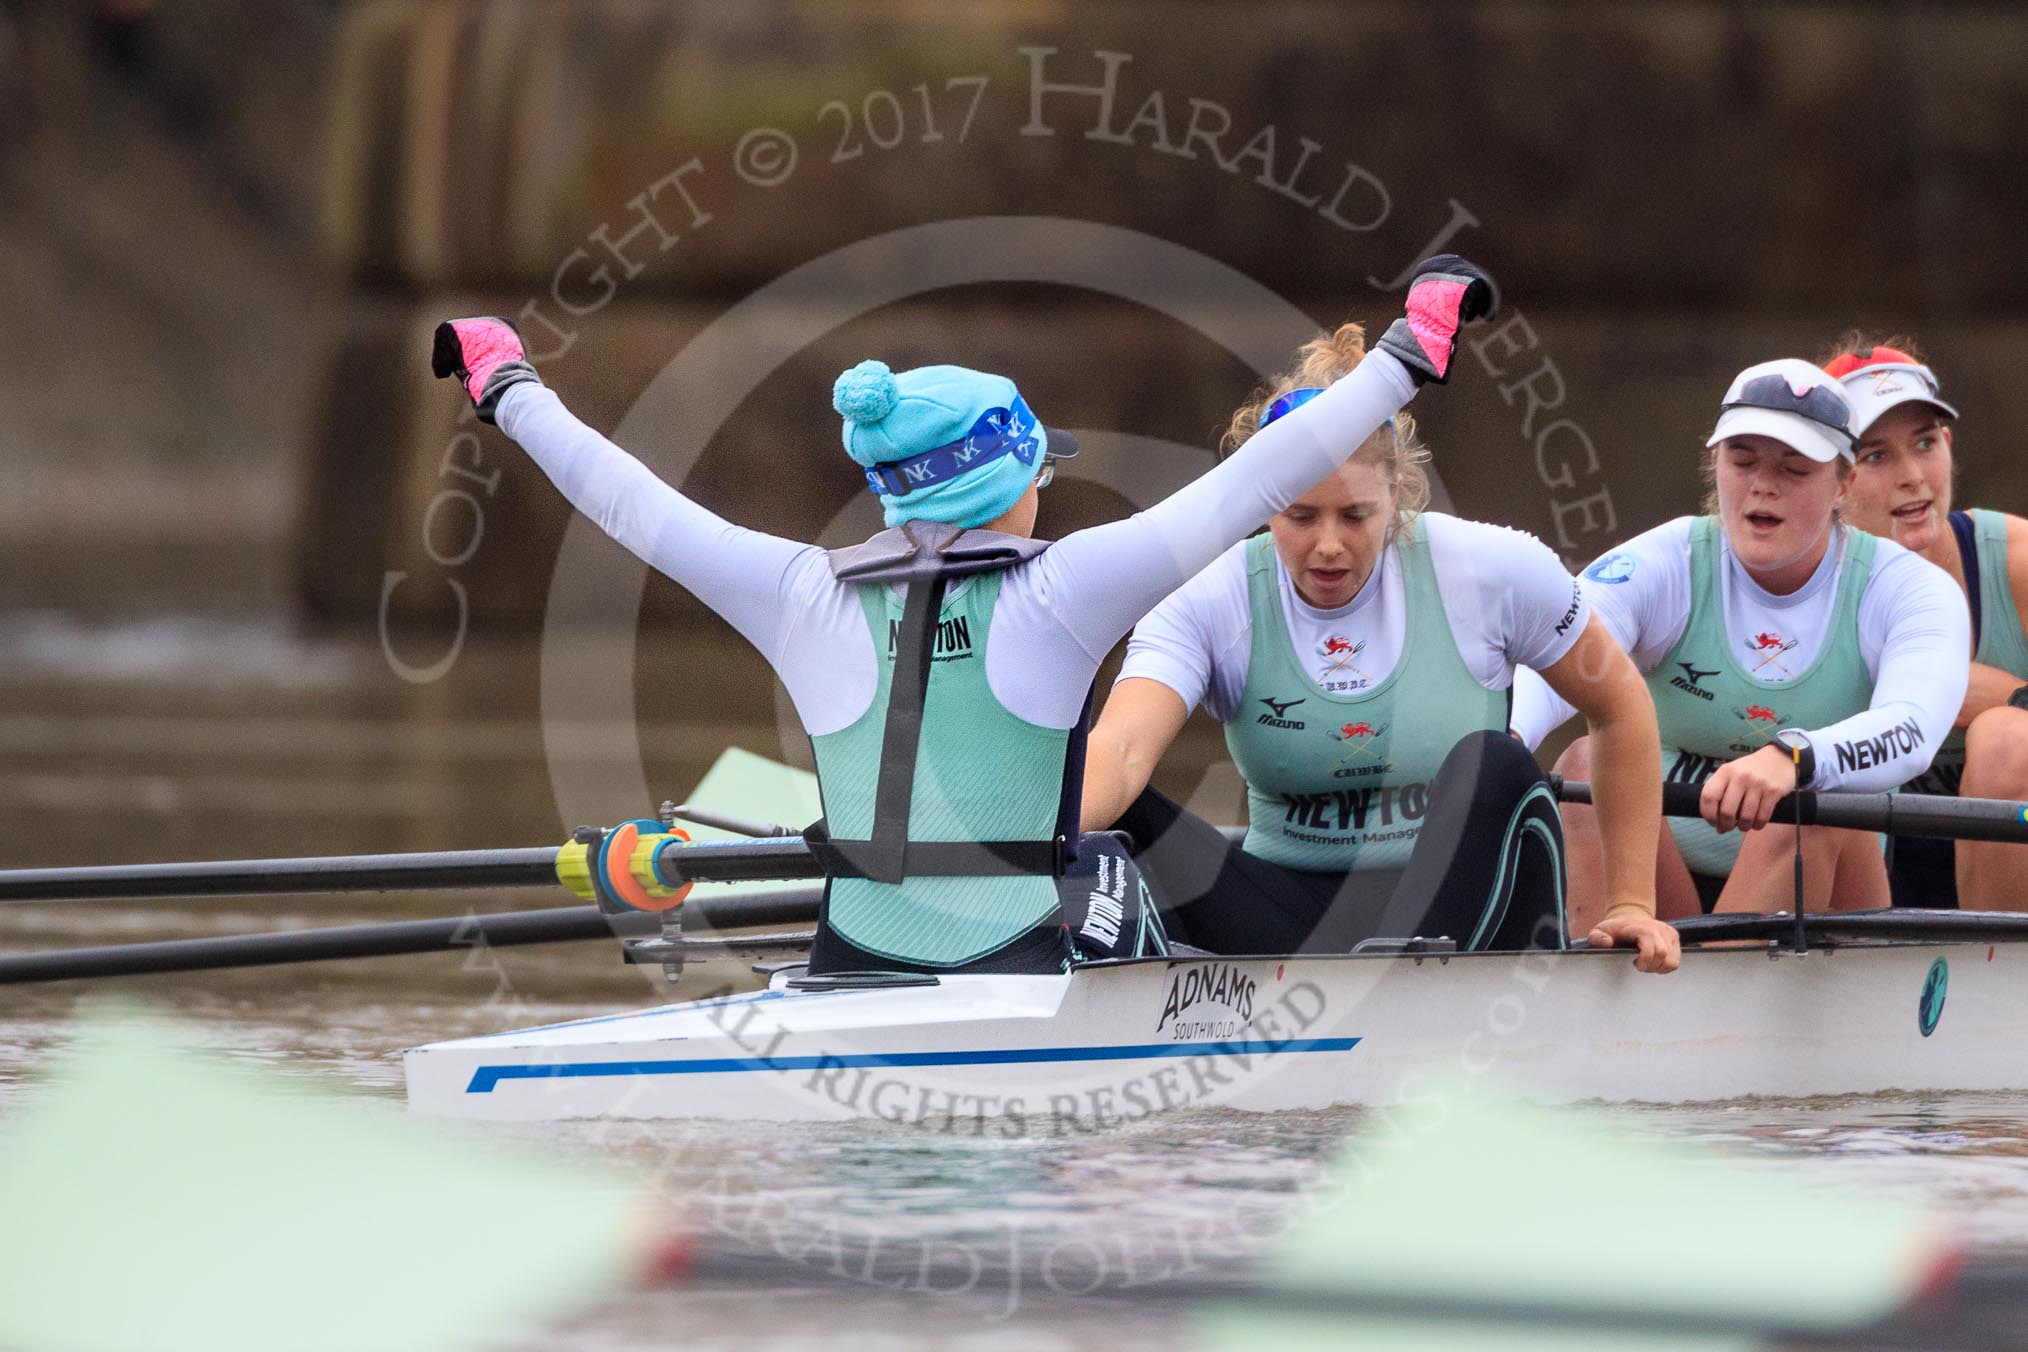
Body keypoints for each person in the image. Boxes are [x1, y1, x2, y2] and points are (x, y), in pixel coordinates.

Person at [431, 256, 1496, 976]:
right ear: (1010, 483)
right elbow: (1258, 477)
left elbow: (628, 501)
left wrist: (509, 381)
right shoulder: (1066, 591)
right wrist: (1408, 351)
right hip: (1017, 971)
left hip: (848, 967)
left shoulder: (800, 591)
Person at [1079, 326, 1680, 975]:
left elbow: (1619, 704)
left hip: (1467, 906)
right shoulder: (1210, 596)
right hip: (1287, 919)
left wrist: (1630, 903)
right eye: (1300, 516)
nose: (1329, 545)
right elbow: (1121, 750)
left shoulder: (1492, 569)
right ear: (1262, 500)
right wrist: (1005, 853)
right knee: (1112, 799)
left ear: (1396, 490)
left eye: (1355, 515)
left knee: (1498, 762)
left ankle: (1421, 1001)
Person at [1512, 359, 1970, 926]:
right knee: (1581, 763)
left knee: (1814, 802)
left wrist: (1796, 757)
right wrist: (1507, 741)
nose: (1762, 485)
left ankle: (1687, 1000)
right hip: (1663, 875)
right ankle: (1630, 981)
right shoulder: (1665, 562)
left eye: (1795, 469)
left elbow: (1913, 728)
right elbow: (1554, 655)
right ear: (1716, 463)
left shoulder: (1906, 588)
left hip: (1827, 881)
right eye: (1743, 460)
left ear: (1843, 485)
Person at [1828, 337, 2028, 910]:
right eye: (1876, 456)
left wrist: (2015, 698)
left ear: (1950, 445)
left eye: (1925, 442)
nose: (1914, 477)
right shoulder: (1791, 581)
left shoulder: (2015, 562)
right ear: (1829, 476)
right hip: (1863, 873)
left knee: (2005, 740)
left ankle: (2001, 988)